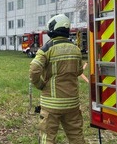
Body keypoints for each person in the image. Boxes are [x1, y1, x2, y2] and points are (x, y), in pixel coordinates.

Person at [29, 14, 85, 144]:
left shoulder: (47, 49)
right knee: (77, 137)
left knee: (47, 137)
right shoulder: (76, 49)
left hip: (51, 104)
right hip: (72, 103)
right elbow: (79, 71)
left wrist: (40, 84)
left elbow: (34, 70)